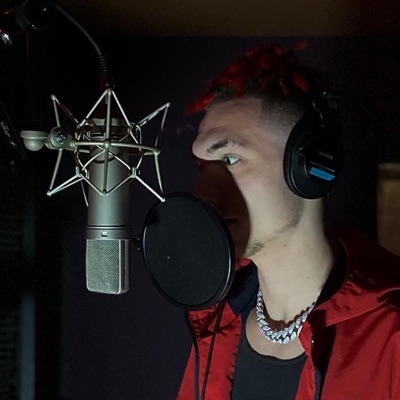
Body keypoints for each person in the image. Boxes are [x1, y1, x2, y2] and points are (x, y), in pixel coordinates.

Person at [176, 43, 400, 400]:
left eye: (231, 159)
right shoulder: (216, 323)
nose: (204, 193)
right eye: (204, 167)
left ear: (308, 168)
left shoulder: (392, 336)